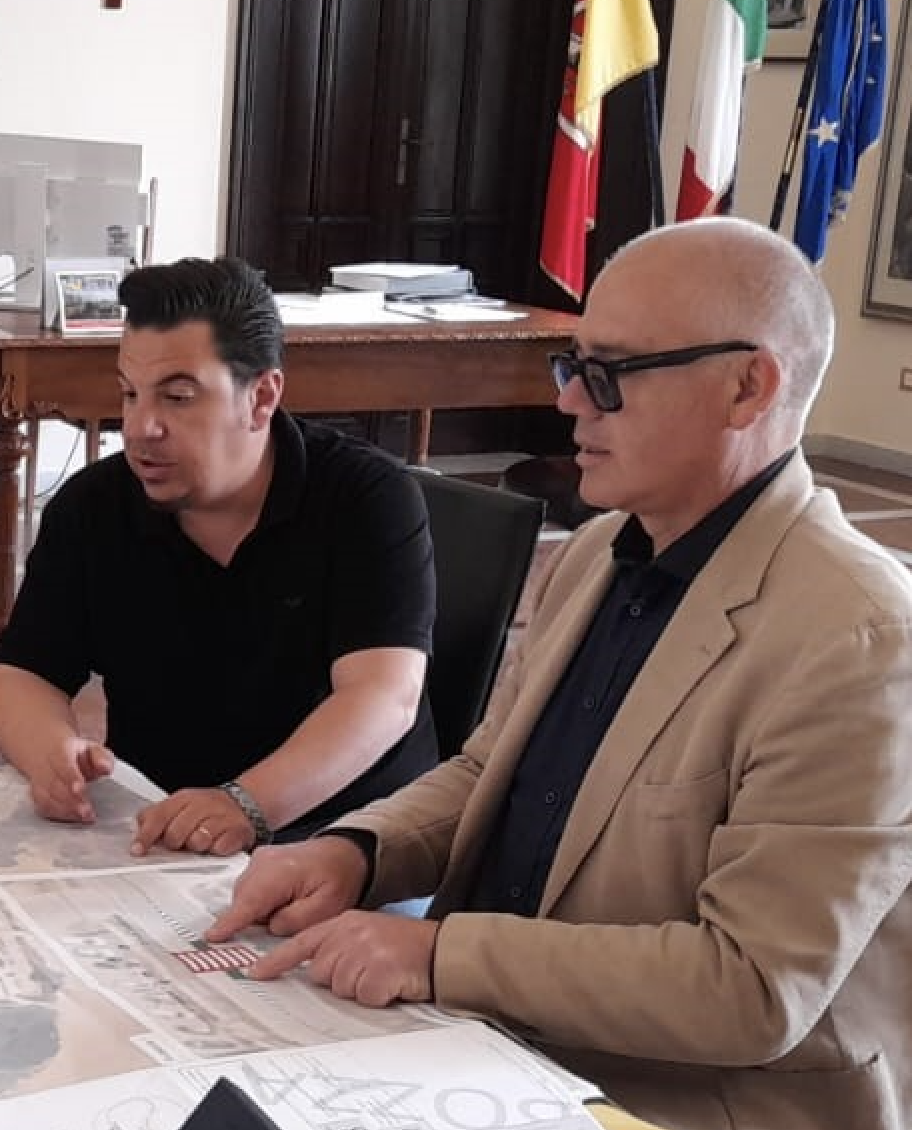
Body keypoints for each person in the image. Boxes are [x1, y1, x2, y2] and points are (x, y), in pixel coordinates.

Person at [207, 217, 912, 1130]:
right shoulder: (597, 553)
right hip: (497, 1046)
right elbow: (488, 773)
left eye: (609, 376)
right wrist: (357, 852)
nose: (570, 404)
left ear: (748, 388)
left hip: (680, 1100)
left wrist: (440, 956)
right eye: (570, 367)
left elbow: (749, 987)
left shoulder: (858, 640)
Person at [0, 256, 438, 856]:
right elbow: (24, 671)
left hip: (349, 846)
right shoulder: (93, 507)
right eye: (130, 394)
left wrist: (245, 804)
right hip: (170, 835)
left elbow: (383, 697)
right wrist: (51, 751)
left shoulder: (366, 498)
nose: (141, 427)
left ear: (262, 397)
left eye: (178, 397)